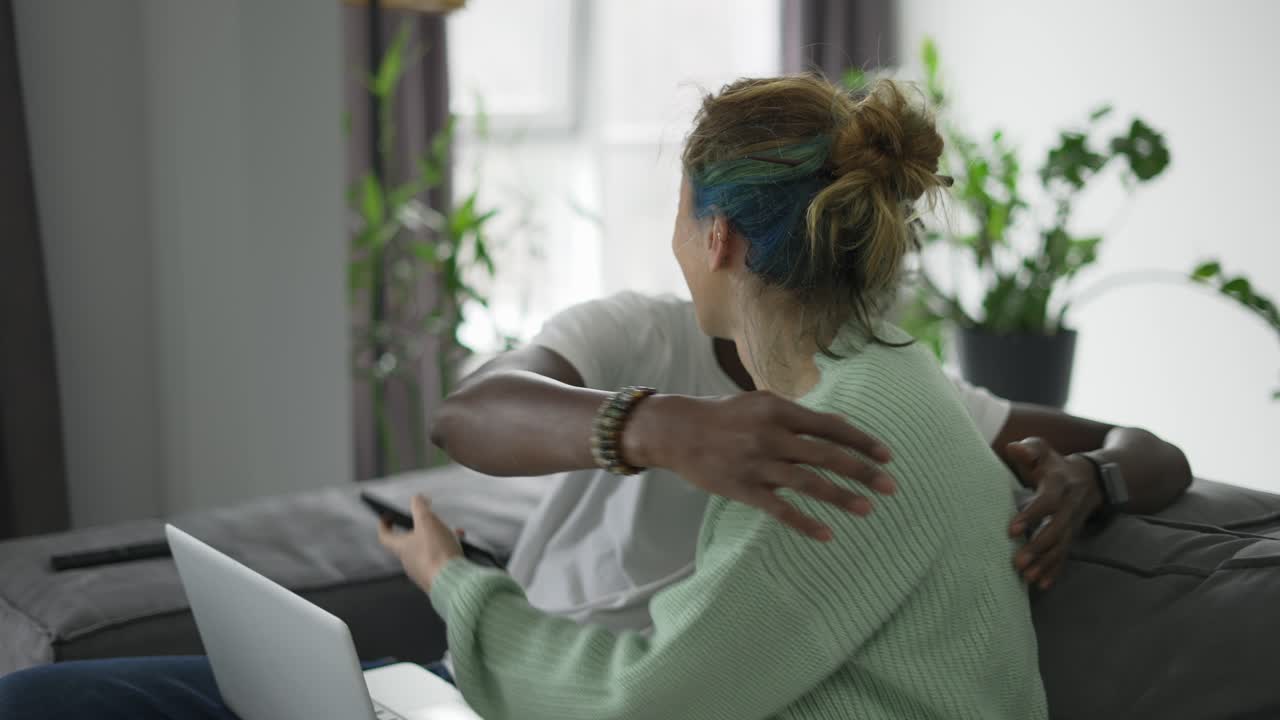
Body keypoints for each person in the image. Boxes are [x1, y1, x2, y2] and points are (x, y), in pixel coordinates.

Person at [0, 76, 1192, 718]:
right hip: (515, 677)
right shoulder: (891, 390)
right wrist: (666, 429)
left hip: (535, 680)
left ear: (715, 234)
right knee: (60, 699)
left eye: (679, 209)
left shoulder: (832, 445)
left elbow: (640, 702)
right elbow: (468, 415)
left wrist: (450, 579)